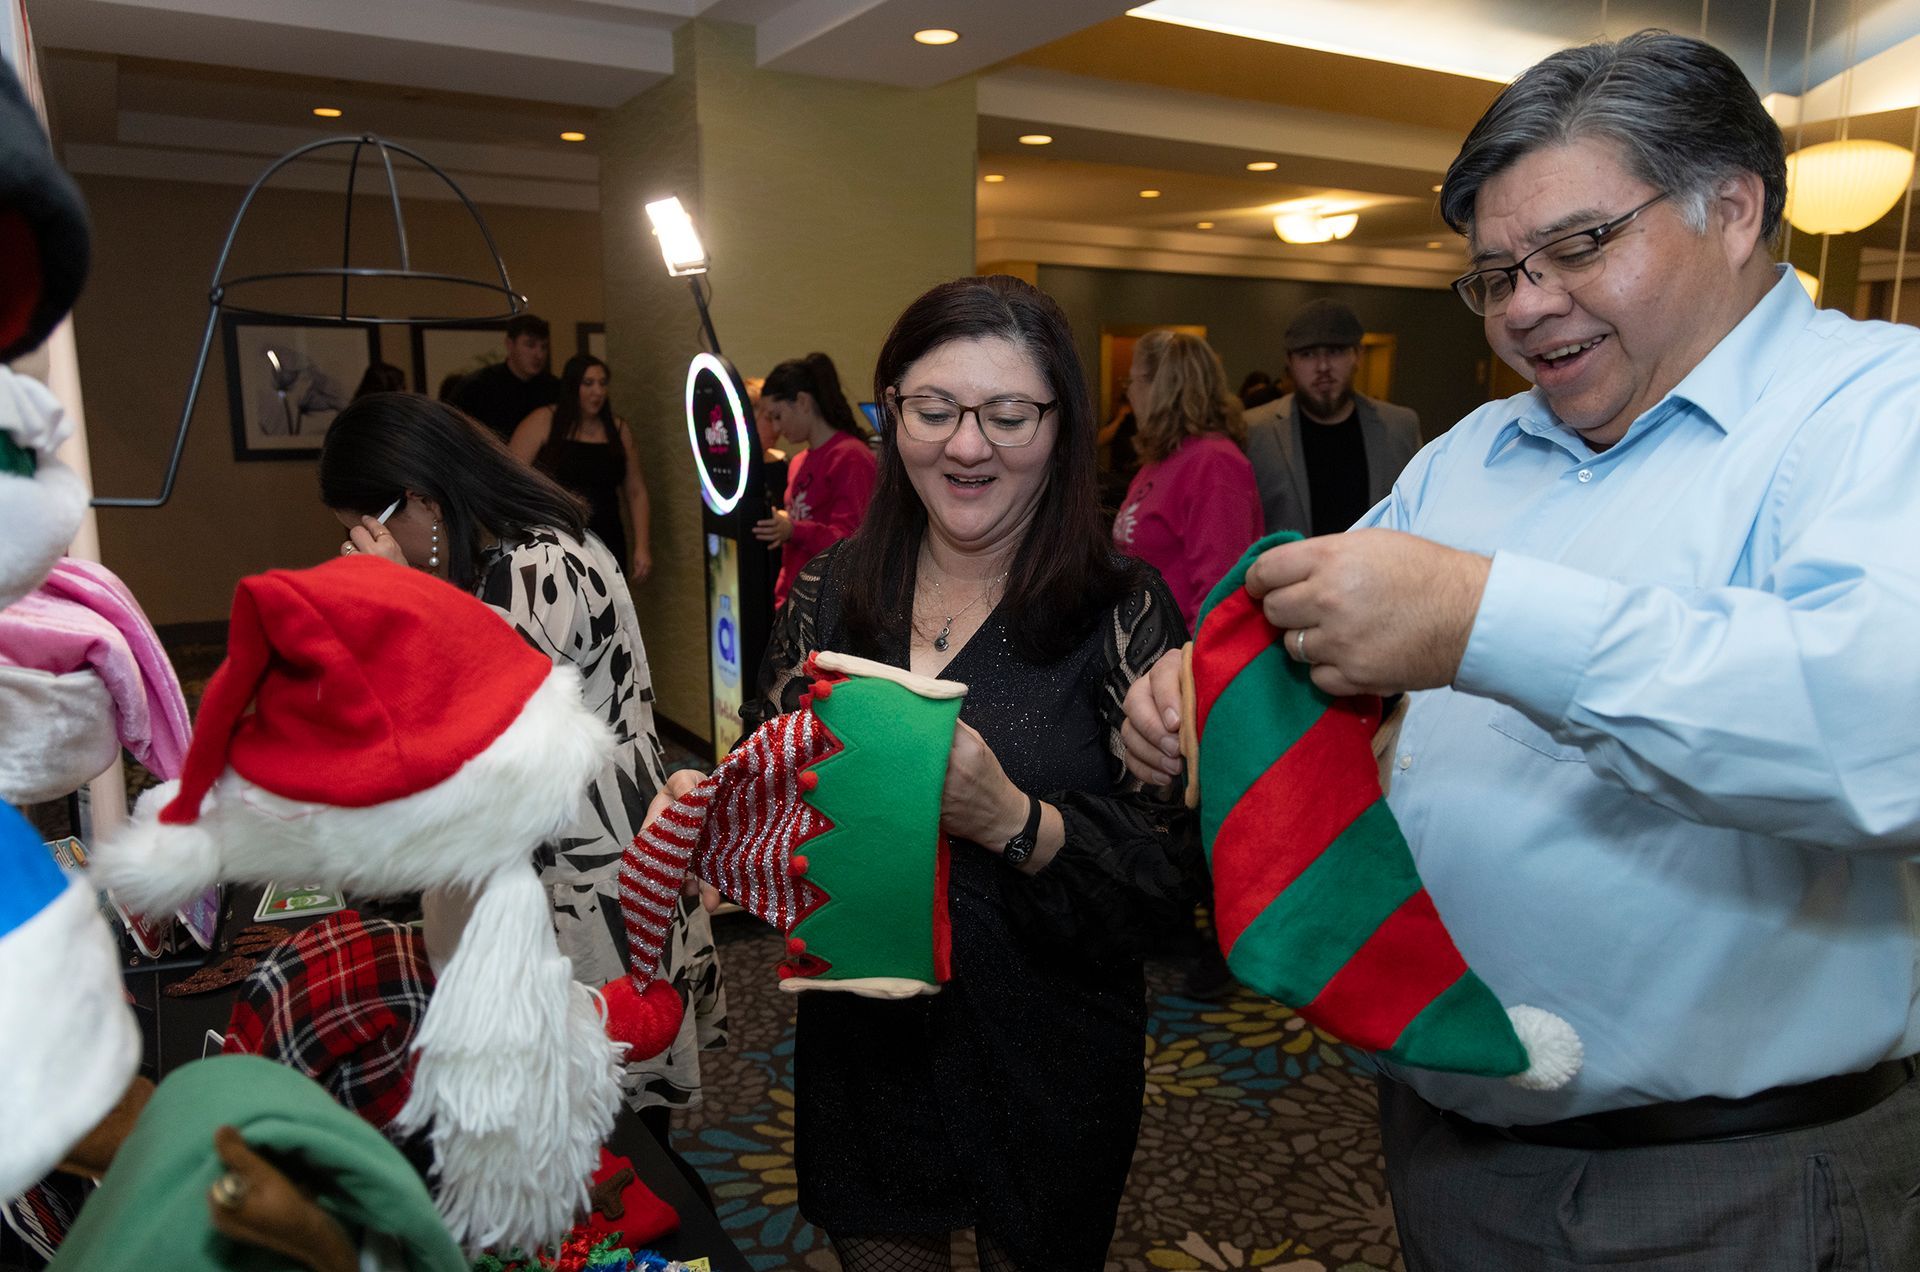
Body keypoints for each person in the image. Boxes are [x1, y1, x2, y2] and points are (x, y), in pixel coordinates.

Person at [1121, 30, 1920, 1270]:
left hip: (1726, 1180)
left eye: (1578, 247)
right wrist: (1204, 686)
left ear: (1733, 208)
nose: (1527, 305)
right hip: (1443, 1133)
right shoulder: (1475, 450)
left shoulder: (1879, 409)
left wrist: (1480, 622)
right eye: (1495, 275)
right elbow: (1321, 618)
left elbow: (1886, 731)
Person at [740, 276, 1198, 1271]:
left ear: (1063, 425)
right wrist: (731, 811)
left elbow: (1170, 886)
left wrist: (1013, 820)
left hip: (1049, 1049)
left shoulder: (1120, 609)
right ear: (890, 412)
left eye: (1008, 415)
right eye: (934, 410)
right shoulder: (830, 593)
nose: (966, 445)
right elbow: (778, 795)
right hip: (866, 1040)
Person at [316, 393, 727, 1166]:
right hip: (561, 865)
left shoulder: (539, 565)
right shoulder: (505, 557)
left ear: (422, 503)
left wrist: (392, 605)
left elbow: (466, 742)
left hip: (586, 882)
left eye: (362, 527)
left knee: (614, 1160)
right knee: (582, 1155)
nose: (357, 546)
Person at [1113, 329, 1261, 626]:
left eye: (1133, 381)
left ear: (1160, 387)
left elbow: (1220, 592)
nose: (1129, 393)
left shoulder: (1214, 463)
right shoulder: (1161, 459)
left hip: (1180, 660)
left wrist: (1188, 669)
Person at [1243, 299, 1420, 536]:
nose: (1323, 366)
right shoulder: (1253, 430)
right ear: (1289, 361)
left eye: (1335, 351)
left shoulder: (1400, 427)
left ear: (1358, 354)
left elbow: (1417, 515)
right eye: (1307, 354)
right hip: (1287, 571)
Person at [750, 352, 877, 609]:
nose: (775, 428)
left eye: (777, 415)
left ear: (803, 402)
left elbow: (852, 545)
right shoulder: (798, 461)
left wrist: (793, 529)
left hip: (829, 605)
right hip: (792, 601)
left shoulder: (850, 456)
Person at [509, 354, 652, 582]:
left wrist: (642, 546)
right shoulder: (543, 421)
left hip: (607, 536)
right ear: (572, 386)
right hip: (557, 535)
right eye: (588, 383)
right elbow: (510, 479)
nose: (597, 391)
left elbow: (636, 491)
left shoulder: (618, 429)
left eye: (602, 383)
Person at [449, 314, 559, 445]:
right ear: (510, 344)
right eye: (530, 345)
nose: (538, 354)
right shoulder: (477, 386)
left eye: (544, 347)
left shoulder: (555, 388)